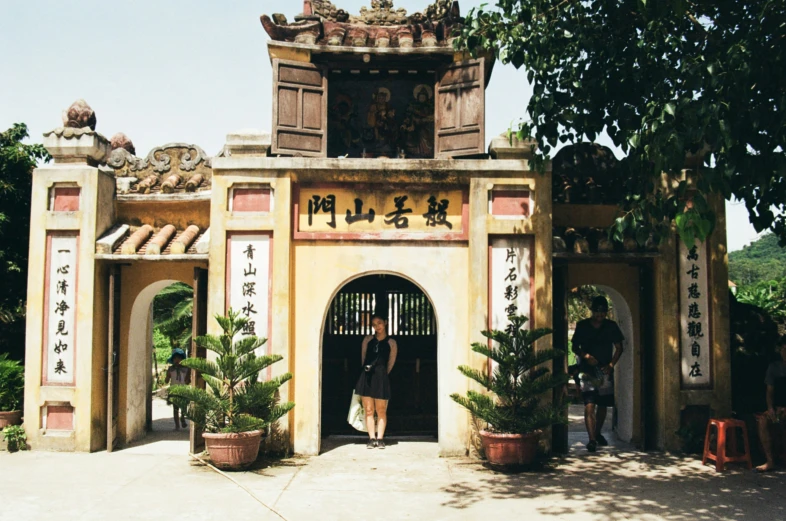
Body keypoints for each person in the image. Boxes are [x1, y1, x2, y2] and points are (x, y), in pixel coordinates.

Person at [572, 296, 624, 452]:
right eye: (597, 312)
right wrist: (585, 356)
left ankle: (598, 432)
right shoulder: (582, 326)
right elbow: (574, 346)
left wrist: (611, 364)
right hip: (587, 372)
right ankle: (592, 439)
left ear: (606, 312)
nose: (599, 316)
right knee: (589, 404)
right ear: (592, 311)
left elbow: (619, 347)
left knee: (602, 405)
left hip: (604, 371)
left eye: (602, 313)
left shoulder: (611, 326)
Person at [354, 314, 398, 449]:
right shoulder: (367, 340)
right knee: (368, 410)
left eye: (379, 323)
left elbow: (391, 362)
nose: (377, 327)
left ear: (385, 322)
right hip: (366, 377)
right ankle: (371, 438)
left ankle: (380, 439)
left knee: (381, 410)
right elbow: (363, 358)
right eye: (374, 324)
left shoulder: (391, 343)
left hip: (381, 377)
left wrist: (382, 373)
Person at [756, 337, 786, 471]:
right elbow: (770, 392)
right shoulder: (774, 368)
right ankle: (770, 460)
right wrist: (770, 409)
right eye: (783, 349)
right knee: (763, 421)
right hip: (778, 408)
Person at [165, 348, 191, 430]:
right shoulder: (170, 369)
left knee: (183, 407)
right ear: (173, 360)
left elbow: (187, 381)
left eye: (179, 358)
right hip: (174, 391)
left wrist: (188, 375)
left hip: (183, 391)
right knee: (175, 408)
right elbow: (166, 380)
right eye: (175, 358)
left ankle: (182, 417)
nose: (177, 360)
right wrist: (167, 375)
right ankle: (177, 425)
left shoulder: (186, 369)